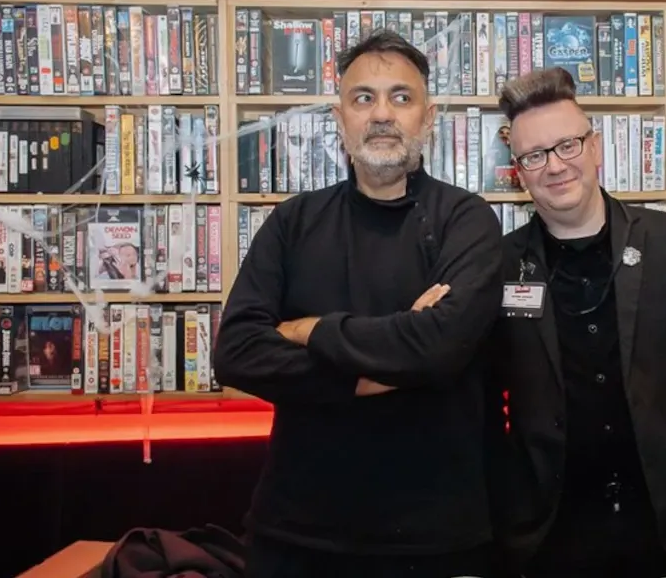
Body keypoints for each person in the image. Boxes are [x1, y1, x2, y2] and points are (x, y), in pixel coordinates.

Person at [214, 29, 505, 578]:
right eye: (363, 98)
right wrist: (377, 370)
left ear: (429, 116)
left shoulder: (466, 220)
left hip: (437, 538)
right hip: (296, 534)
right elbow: (235, 352)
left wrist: (307, 330)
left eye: (401, 97)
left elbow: (441, 348)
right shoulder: (293, 222)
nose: (381, 115)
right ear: (339, 116)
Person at [484, 67, 666, 578]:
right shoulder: (498, 266)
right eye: (535, 156)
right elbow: (481, 399)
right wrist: (503, 499)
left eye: (568, 145)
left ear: (595, 148)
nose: (555, 166)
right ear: (519, 172)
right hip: (548, 541)